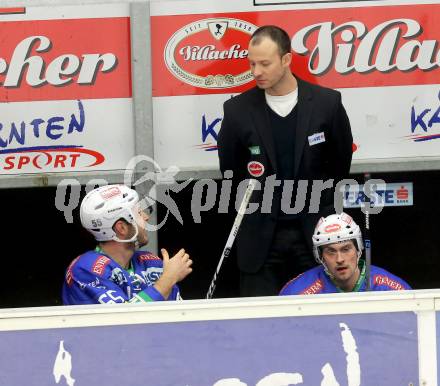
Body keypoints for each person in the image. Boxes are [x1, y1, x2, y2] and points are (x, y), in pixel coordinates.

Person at [217, 25, 353, 296]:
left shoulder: (328, 103)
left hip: (314, 234)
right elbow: (230, 172)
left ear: (286, 60)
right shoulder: (237, 111)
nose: (256, 71)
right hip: (260, 241)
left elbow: (339, 166)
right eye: (252, 63)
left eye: (265, 63)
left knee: (318, 324)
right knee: (260, 326)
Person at [62, 184, 192, 305]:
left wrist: (167, 278)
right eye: (139, 213)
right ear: (121, 228)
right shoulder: (85, 270)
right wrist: (168, 279)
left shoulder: (151, 263)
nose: (146, 217)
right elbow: (125, 321)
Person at [280, 213, 411, 295]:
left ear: (358, 249)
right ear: (321, 257)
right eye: (331, 251)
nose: (340, 259)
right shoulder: (297, 293)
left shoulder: (390, 288)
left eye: (346, 249)